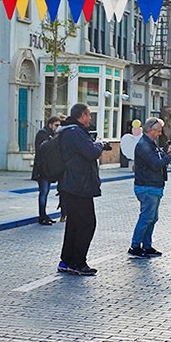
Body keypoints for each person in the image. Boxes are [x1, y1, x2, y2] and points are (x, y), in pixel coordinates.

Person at [55, 103, 106, 276]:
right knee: (87, 223)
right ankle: (78, 262)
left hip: (71, 184)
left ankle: (66, 260)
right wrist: (99, 145)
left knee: (74, 224)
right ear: (82, 116)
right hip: (79, 185)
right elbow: (90, 152)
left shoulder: (68, 131)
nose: (90, 119)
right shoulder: (75, 132)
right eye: (89, 115)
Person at [129, 117, 171, 258]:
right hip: (147, 186)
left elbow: (159, 158)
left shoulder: (151, 144)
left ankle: (147, 245)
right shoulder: (144, 144)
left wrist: (167, 153)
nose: (159, 133)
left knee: (152, 218)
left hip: (154, 185)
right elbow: (156, 164)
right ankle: (135, 246)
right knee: (146, 218)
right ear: (150, 130)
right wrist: (170, 156)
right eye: (158, 130)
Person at [31, 115, 62, 225]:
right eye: (56, 125)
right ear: (50, 124)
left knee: (46, 192)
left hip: (49, 169)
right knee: (43, 192)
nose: (57, 127)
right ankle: (42, 216)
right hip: (42, 168)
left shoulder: (54, 134)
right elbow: (44, 149)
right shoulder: (42, 133)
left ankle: (44, 215)